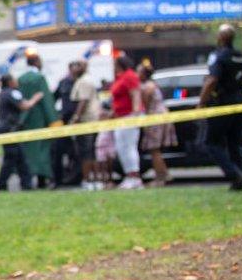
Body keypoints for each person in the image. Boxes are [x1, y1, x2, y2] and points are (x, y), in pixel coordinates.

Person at [199, 23, 242, 191]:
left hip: (222, 104)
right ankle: (239, 181)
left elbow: (212, 80)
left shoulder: (219, 56)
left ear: (221, 38)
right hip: (240, 104)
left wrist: (202, 102)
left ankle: (234, 173)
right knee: (233, 142)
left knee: (211, 143)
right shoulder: (241, 57)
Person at [0, 74, 43, 191]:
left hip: (7, 129)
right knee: (11, 159)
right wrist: (35, 98)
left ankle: (26, 185)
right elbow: (24, 106)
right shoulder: (12, 93)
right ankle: (2, 185)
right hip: (10, 130)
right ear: (10, 82)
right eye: (15, 80)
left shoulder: (2, 93)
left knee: (20, 158)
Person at [19, 54, 59, 189]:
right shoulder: (39, 78)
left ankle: (29, 179)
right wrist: (54, 120)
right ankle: (42, 179)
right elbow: (47, 101)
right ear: (36, 62)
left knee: (30, 151)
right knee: (43, 150)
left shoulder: (21, 79)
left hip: (26, 120)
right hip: (40, 120)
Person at [138, 61, 177, 187]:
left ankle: (160, 179)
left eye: (138, 71)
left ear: (144, 74)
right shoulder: (153, 85)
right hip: (161, 116)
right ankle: (165, 174)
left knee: (154, 149)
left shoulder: (147, 87)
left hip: (154, 118)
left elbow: (146, 105)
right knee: (156, 149)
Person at [110, 55, 145, 190]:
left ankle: (135, 176)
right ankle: (128, 175)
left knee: (129, 146)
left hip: (129, 115)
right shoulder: (120, 77)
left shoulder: (130, 76)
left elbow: (135, 94)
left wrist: (136, 113)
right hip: (120, 116)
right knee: (121, 147)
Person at [68, 60, 102, 190]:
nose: (74, 68)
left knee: (86, 152)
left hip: (87, 121)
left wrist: (75, 118)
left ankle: (88, 180)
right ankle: (95, 180)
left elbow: (83, 101)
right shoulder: (85, 80)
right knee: (92, 152)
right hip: (92, 120)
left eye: (78, 66)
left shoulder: (84, 81)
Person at [51, 63, 81, 187]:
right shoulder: (63, 82)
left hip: (79, 123)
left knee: (78, 152)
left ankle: (77, 178)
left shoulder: (81, 83)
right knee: (58, 151)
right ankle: (58, 180)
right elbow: (53, 98)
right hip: (64, 122)